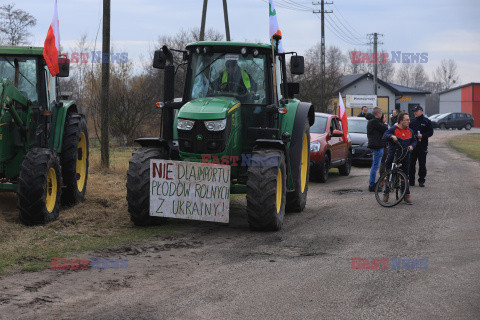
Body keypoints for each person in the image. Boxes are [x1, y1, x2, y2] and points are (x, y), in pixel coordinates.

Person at [382, 112, 417, 204]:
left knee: (405, 176)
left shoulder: (410, 131)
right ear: (401, 121)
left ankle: (406, 194)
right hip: (393, 155)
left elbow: (414, 141)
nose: (409, 121)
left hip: (405, 155)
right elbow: (384, 136)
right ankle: (386, 194)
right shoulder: (393, 129)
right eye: (407, 120)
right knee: (388, 175)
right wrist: (391, 136)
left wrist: (412, 146)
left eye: (409, 120)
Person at [409, 106, 434, 187]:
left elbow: (430, 132)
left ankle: (421, 180)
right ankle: (411, 181)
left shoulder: (426, 121)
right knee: (411, 164)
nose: (415, 112)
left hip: (422, 146)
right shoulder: (412, 121)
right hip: (413, 146)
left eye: (416, 111)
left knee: (422, 164)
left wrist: (423, 135)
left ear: (421, 111)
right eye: (414, 111)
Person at [367, 107, 388, 192]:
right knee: (375, 166)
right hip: (377, 146)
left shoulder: (373, 121)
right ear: (378, 114)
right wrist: (384, 122)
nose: (382, 115)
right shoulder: (374, 122)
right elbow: (385, 129)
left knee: (375, 165)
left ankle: (372, 184)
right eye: (381, 113)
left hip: (376, 145)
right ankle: (372, 185)